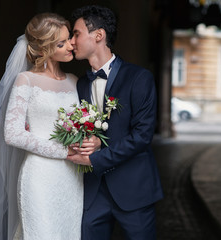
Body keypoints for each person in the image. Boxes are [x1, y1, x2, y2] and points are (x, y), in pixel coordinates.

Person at [0, 12, 99, 240]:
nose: (71, 45)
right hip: (40, 176)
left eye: (69, 38)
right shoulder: (26, 80)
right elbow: (12, 134)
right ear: (43, 49)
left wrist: (88, 141)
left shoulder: (74, 81)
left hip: (71, 178)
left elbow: (85, 123)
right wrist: (63, 151)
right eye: (61, 43)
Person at [68, 5, 164, 240]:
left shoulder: (139, 78)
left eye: (76, 34)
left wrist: (95, 157)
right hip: (93, 193)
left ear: (98, 35)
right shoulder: (80, 84)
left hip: (134, 190)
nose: (71, 41)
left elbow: (142, 136)